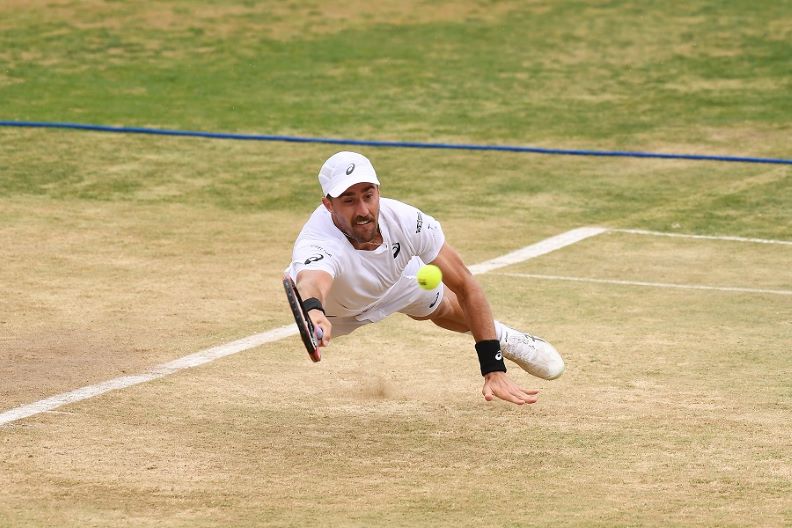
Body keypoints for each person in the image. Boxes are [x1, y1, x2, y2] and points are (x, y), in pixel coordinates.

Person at [286, 151, 565, 406]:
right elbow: (313, 279)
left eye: (368, 195)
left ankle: (504, 338)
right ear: (328, 205)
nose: (363, 210)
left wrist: (493, 367)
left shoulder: (408, 222)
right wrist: (314, 310)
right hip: (335, 313)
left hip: (396, 279)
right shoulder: (317, 242)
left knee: (442, 308)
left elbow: (466, 286)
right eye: (348, 200)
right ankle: (495, 333)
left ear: (378, 192)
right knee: (316, 289)